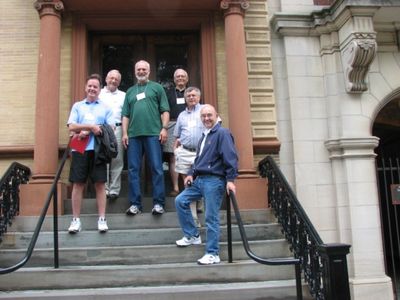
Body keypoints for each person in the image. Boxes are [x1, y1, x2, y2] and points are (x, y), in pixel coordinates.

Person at [175, 104, 238, 265]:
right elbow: (198, 159)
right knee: (180, 201)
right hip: (199, 180)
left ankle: (212, 253)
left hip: (214, 181)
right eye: (203, 116)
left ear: (217, 116)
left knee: (211, 217)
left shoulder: (222, 133)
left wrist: (230, 180)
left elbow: (230, 157)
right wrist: (190, 174)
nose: (206, 118)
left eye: (209, 115)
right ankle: (193, 235)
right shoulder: (205, 135)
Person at [67, 73, 114, 233]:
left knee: (100, 184)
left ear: (100, 89)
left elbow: (111, 129)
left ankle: (102, 218)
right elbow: (71, 126)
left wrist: (92, 129)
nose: (92, 89)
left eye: (95, 86)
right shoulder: (77, 106)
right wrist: (89, 127)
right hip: (79, 148)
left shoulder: (105, 107)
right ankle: (75, 220)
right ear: (85, 88)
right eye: (90, 86)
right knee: (78, 183)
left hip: (98, 149)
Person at [122, 60, 170, 215]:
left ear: (149, 71)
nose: (141, 71)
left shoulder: (157, 88)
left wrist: (164, 128)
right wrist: (124, 133)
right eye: (138, 69)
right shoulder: (130, 91)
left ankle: (158, 204)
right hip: (134, 135)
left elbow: (165, 111)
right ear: (135, 71)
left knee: (157, 168)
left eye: (144, 69)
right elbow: (125, 115)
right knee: (133, 170)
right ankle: (135, 204)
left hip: (153, 134)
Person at [173, 87, 205, 227]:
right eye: (189, 96)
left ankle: (200, 202)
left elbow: (217, 127)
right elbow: (177, 135)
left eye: (194, 95)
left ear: (199, 97)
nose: (191, 98)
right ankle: (194, 219)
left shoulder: (205, 111)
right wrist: (176, 151)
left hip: (202, 153)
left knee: (202, 181)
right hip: (185, 153)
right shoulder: (182, 115)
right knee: (189, 185)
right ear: (185, 98)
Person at [99, 69, 126, 201]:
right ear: (106, 79)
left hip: (119, 129)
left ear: (119, 82)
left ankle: (114, 189)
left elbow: (127, 115)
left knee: (117, 159)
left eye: (116, 79)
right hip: (102, 129)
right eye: (111, 78)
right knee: (104, 159)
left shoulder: (123, 95)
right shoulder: (98, 93)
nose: (113, 81)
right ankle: (104, 189)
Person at [164, 69, 189, 196]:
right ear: (174, 79)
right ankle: (175, 188)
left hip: (188, 126)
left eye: (182, 76)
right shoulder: (167, 93)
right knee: (173, 157)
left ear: (187, 79)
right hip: (172, 125)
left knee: (187, 155)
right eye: (178, 76)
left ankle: (188, 187)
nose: (180, 78)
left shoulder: (191, 93)